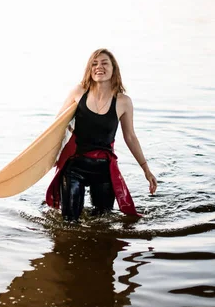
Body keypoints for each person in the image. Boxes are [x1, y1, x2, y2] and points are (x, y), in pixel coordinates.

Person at [46, 49, 157, 222]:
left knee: (103, 220)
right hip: (75, 166)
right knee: (69, 222)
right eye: (94, 63)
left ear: (114, 69)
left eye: (105, 63)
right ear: (89, 69)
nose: (99, 67)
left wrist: (146, 169)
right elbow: (57, 126)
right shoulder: (78, 92)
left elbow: (130, 137)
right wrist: (51, 155)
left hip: (104, 169)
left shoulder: (123, 102)